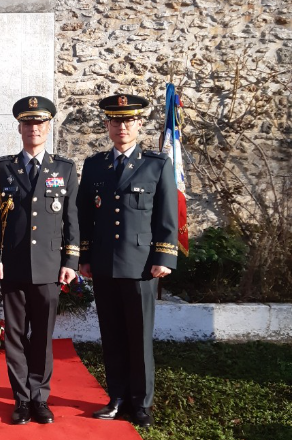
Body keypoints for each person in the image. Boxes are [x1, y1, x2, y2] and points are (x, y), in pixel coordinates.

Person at [76, 94, 178, 428]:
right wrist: (85, 257)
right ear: (107, 125)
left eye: (128, 120)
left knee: (139, 335)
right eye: (115, 121)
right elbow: (85, 216)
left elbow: (167, 214)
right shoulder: (94, 166)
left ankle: (141, 403)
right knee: (113, 335)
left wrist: (163, 255)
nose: (121, 126)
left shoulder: (156, 165)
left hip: (141, 266)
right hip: (104, 265)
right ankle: (117, 397)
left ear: (138, 124)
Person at [0, 96, 80, 425]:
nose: (33, 128)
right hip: (12, 267)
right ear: (20, 127)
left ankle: (40, 396)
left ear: (48, 126)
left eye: (39, 123)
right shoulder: (3, 168)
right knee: (14, 336)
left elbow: (71, 221)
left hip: (49, 267)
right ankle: (21, 399)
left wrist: (70, 262)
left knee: (41, 335)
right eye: (27, 123)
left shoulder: (64, 169)